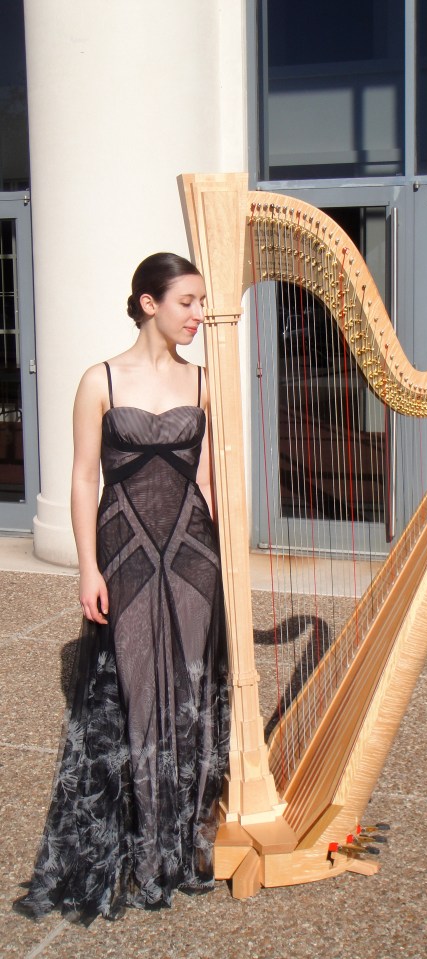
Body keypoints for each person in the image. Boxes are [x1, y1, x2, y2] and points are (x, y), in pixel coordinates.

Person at [14, 253, 230, 921]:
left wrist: (233, 555)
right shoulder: (99, 379)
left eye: (201, 302)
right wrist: (87, 567)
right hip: (125, 551)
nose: (199, 315)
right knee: (136, 693)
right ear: (147, 303)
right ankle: (141, 848)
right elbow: (84, 477)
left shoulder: (204, 381)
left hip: (193, 551)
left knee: (190, 690)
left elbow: (207, 480)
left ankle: (181, 843)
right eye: (187, 302)